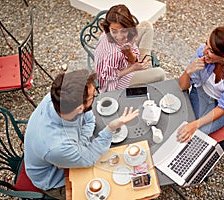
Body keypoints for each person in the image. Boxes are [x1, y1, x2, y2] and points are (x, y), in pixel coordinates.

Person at [24, 69, 139, 200]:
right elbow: (89, 159)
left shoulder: (59, 97)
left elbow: (89, 119)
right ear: (79, 108)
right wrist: (111, 128)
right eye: (93, 96)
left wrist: (79, 145)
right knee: (113, 184)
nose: (96, 94)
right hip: (54, 180)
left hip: (58, 156)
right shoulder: (58, 146)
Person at [177, 22, 224, 143]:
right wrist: (188, 71)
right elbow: (182, 86)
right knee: (179, 124)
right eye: (206, 44)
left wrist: (195, 125)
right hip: (199, 94)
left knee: (197, 135)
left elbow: (223, 106)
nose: (204, 51)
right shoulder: (202, 52)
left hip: (221, 108)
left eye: (211, 51)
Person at [94, 4, 165, 93]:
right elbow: (106, 78)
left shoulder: (116, 33)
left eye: (124, 30)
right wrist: (132, 68)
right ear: (108, 27)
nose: (119, 37)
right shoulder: (111, 52)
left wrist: (129, 53)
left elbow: (132, 56)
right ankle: (144, 67)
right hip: (116, 82)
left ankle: (144, 62)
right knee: (160, 74)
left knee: (146, 25)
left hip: (124, 61)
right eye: (114, 31)